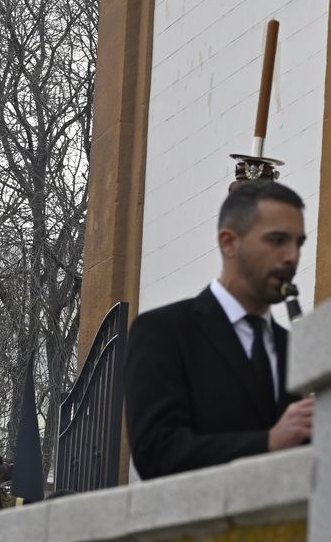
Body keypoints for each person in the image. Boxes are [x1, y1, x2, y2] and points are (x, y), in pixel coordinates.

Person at [125, 180, 315, 480]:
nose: (292, 257)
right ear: (229, 242)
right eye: (277, 240)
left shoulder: (296, 346)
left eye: (298, 243)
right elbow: (156, 453)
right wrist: (268, 442)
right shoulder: (163, 332)